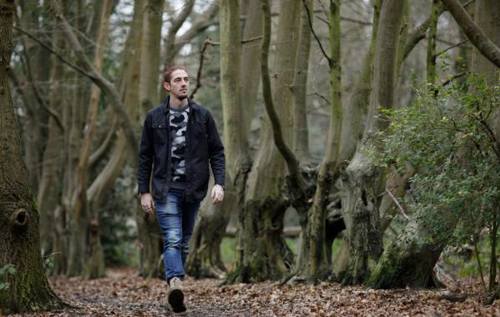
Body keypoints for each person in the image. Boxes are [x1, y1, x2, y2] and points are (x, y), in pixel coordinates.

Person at [137, 65, 225, 313]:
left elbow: (217, 152)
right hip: (165, 189)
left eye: (186, 79)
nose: (184, 83)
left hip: (193, 189)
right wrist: (144, 191)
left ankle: (173, 291)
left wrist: (219, 183)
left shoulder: (202, 116)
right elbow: (145, 157)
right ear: (167, 86)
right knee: (173, 238)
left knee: (184, 242)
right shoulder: (154, 118)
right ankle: (175, 282)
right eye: (178, 80)